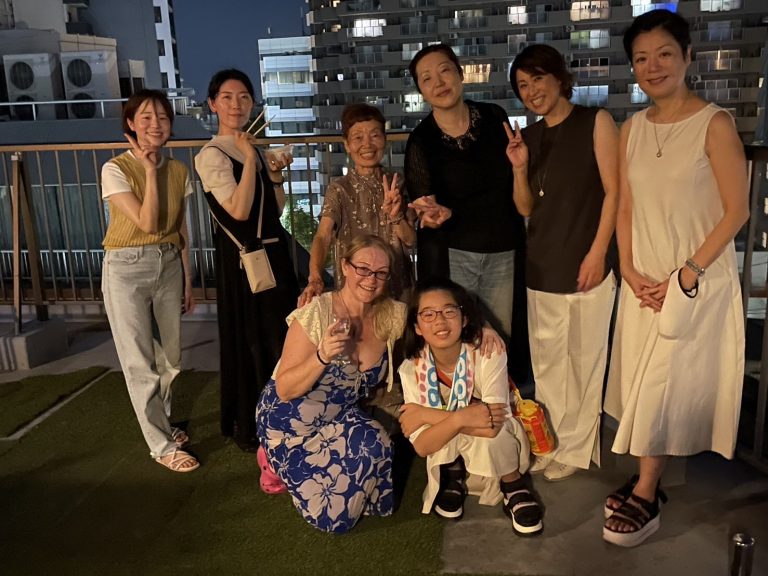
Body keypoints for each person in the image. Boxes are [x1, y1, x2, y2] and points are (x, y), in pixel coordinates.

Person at [603, 9, 749, 547]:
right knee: (645, 378)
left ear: (688, 56)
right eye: (641, 58)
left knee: (665, 382)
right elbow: (625, 205)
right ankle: (649, 475)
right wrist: (627, 266)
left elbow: (737, 211)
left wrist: (686, 273)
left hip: (694, 276)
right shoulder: (632, 129)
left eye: (664, 53)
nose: (653, 66)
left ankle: (646, 491)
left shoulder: (714, 123)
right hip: (644, 277)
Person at [505, 45, 619, 482]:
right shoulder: (529, 138)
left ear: (559, 78)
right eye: (523, 85)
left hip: (586, 260)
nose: (532, 90)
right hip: (542, 263)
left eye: (537, 79)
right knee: (549, 364)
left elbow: (614, 191)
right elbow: (525, 208)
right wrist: (519, 169)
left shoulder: (595, 121)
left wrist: (598, 252)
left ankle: (576, 449)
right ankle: (548, 444)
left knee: (584, 362)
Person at [255, 234, 406, 533]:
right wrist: (322, 356)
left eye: (380, 273)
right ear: (345, 266)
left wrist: (484, 329)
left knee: (378, 444)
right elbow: (285, 390)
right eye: (363, 269)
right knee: (335, 521)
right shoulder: (317, 312)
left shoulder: (392, 315)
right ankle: (272, 459)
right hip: (289, 422)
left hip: (337, 416)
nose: (371, 279)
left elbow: (435, 316)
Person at [195, 69, 299, 452]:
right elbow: (238, 211)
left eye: (244, 97)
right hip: (245, 260)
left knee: (281, 335)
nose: (236, 105)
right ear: (212, 104)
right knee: (254, 338)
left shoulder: (251, 149)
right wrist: (250, 163)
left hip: (273, 251)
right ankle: (255, 423)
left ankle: (286, 413)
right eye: (226, 97)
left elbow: (275, 209)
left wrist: (274, 174)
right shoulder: (211, 155)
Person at [101, 89, 198, 472]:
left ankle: (165, 421)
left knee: (171, 358)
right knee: (140, 362)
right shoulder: (115, 169)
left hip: (169, 263)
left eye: (162, 117)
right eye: (145, 117)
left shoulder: (180, 171)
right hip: (125, 268)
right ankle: (161, 446)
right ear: (130, 124)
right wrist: (150, 171)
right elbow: (147, 222)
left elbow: (180, 230)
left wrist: (188, 279)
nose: (155, 124)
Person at [397, 278, 542, 535]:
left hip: (494, 434)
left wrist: (426, 415)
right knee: (443, 428)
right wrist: (462, 417)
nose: (440, 321)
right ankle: (454, 470)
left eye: (449, 311)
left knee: (496, 430)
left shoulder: (487, 352)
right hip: (463, 432)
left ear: (464, 319)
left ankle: (512, 483)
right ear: (417, 327)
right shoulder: (411, 369)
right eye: (428, 314)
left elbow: (493, 423)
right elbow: (422, 446)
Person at [405, 44, 526, 343]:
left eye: (445, 71)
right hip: (455, 253)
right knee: (459, 337)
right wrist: (434, 216)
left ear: (460, 74)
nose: (439, 83)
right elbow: (425, 206)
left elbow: (510, 181)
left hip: (502, 246)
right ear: (421, 91)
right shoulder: (421, 141)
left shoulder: (493, 116)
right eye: (427, 79)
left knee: (500, 338)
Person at [298, 103, 415, 305]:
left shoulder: (399, 183)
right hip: (355, 290)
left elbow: (410, 240)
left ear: (384, 139)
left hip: (396, 287)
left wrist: (396, 216)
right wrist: (315, 277)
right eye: (358, 137)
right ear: (347, 144)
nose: (367, 144)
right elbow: (323, 236)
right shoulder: (339, 189)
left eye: (375, 135)